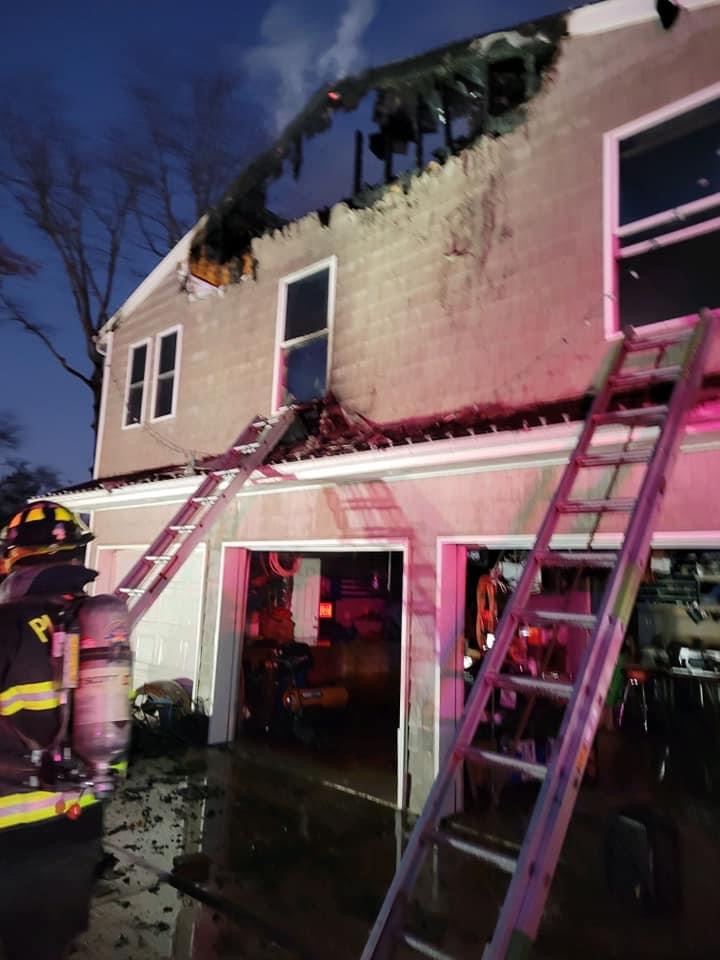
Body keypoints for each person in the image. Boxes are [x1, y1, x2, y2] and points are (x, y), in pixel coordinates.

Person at [0, 501, 104, 960]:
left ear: (16, 556)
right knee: (51, 945)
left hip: (12, 834)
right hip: (79, 824)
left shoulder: (6, 625)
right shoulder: (98, 624)